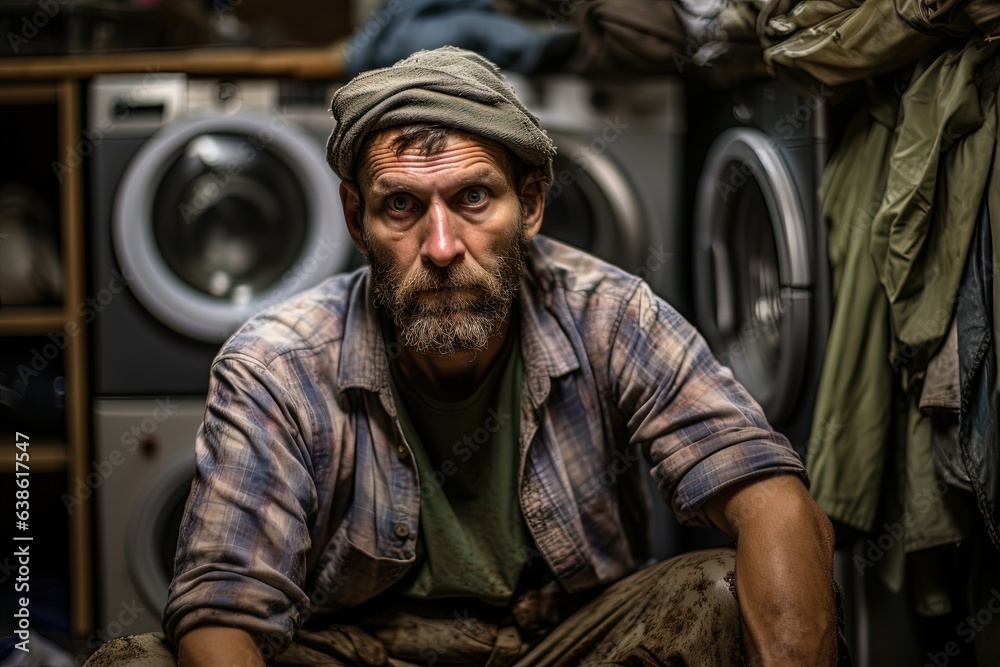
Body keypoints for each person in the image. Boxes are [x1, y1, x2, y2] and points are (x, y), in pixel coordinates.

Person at [87, 46, 846, 667]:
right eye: (401, 206)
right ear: (357, 218)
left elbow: (772, 498)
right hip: (359, 652)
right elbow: (222, 605)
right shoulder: (277, 363)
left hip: (566, 647)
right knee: (133, 662)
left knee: (715, 590)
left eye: (475, 199)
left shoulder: (609, 314)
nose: (443, 247)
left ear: (533, 204)